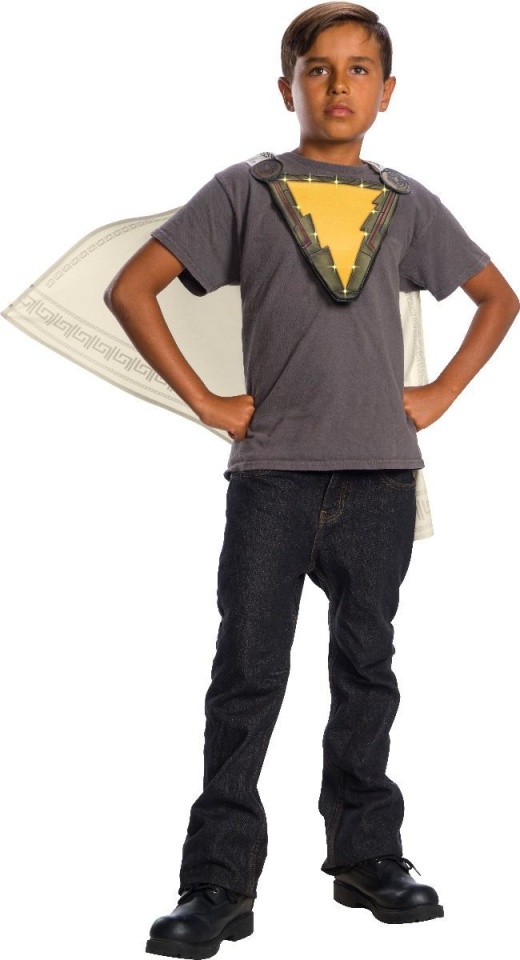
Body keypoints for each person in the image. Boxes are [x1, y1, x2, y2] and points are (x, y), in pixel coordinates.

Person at [104, 2, 518, 955]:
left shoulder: (408, 202)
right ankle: (218, 880)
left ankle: (368, 855)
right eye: (318, 69)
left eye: (359, 69)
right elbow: (133, 288)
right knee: (247, 673)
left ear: (388, 90)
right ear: (286, 86)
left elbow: (497, 298)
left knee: (367, 668)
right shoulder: (243, 190)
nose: (339, 85)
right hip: (275, 478)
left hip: (380, 476)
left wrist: (441, 392)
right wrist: (207, 401)